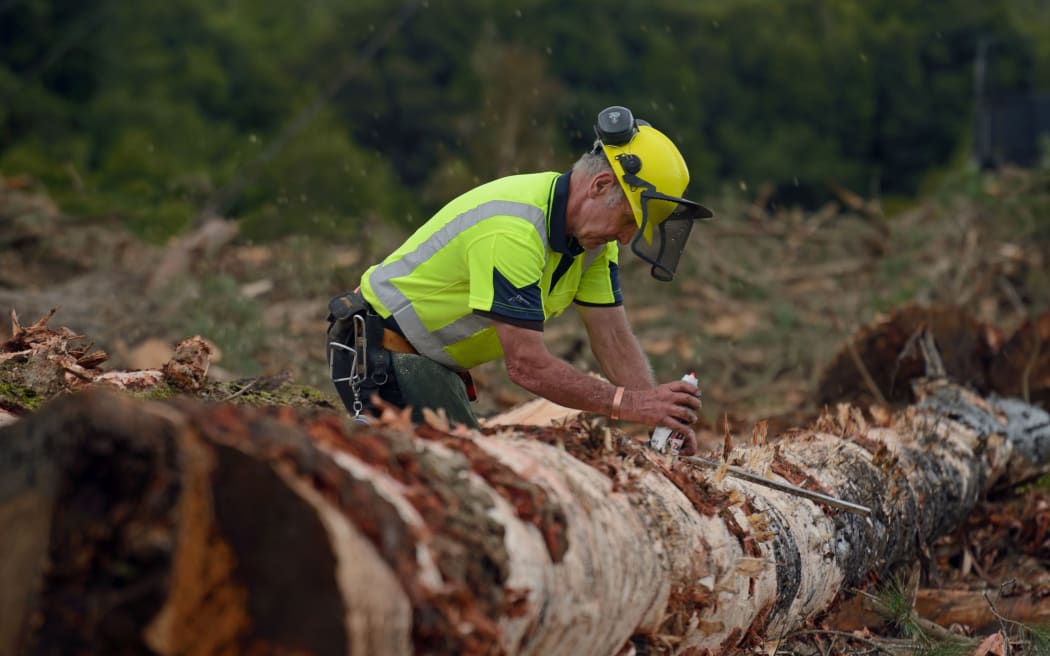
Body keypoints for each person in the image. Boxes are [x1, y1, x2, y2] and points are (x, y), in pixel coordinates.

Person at [326, 106, 711, 453]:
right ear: (600, 186)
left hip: (431, 363)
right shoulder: (512, 231)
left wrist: (661, 416)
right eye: (628, 220)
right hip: (379, 351)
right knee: (447, 479)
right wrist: (630, 405)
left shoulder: (594, 243)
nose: (626, 238)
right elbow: (527, 365)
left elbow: (611, 336)